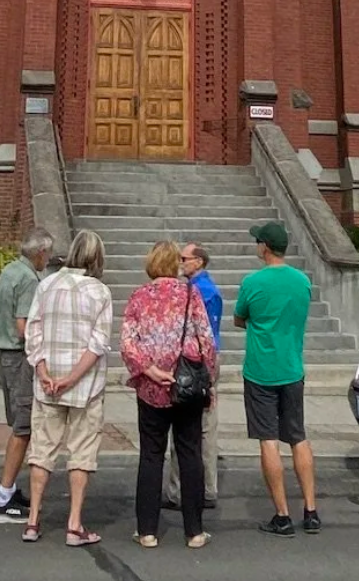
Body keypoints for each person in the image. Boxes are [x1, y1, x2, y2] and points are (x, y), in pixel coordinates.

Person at [122, 239, 218, 549]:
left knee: (151, 455)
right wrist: (209, 381)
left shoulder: (138, 297)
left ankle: (147, 531)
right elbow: (207, 342)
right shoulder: (190, 293)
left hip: (152, 388)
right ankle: (194, 531)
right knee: (190, 453)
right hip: (186, 385)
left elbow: (128, 343)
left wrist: (149, 369)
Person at [23, 227, 112, 547]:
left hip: (47, 382)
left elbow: (33, 332)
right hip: (85, 386)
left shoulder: (47, 285)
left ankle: (33, 520)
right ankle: (74, 524)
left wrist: (43, 370)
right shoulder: (99, 292)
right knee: (81, 454)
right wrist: (73, 377)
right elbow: (98, 342)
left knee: (42, 450)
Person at [234, 220, 319, 534]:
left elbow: (240, 318)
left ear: (265, 247)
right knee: (298, 436)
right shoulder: (302, 281)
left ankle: (282, 514)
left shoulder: (253, 282)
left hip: (261, 370)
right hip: (292, 367)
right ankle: (311, 510)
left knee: (268, 439)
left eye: (258, 242)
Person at [0, 226, 54, 524]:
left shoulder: (9, 271)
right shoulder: (28, 279)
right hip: (18, 356)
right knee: (23, 427)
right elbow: (23, 326)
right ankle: (2, 499)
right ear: (41, 253)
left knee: (19, 422)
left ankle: (10, 489)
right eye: (47, 254)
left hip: (4, 354)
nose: (47, 260)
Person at [165, 242, 222, 510]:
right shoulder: (206, 289)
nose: (180, 262)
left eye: (184, 258)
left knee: (189, 425)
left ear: (199, 261)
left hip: (194, 361)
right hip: (204, 358)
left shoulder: (200, 291)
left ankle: (180, 490)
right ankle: (206, 487)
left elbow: (205, 334)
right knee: (205, 427)